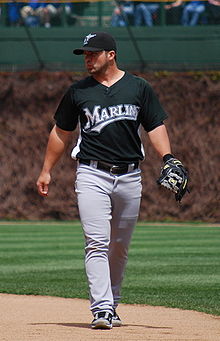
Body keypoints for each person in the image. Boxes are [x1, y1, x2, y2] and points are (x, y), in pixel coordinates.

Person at [36, 31, 186, 329]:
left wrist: (168, 158)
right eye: (85, 54)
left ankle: (112, 305)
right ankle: (101, 308)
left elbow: (155, 125)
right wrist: (46, 169)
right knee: (96, 243)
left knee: (119, 245)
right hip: (91, 173)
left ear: (111, 55)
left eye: (93, 53)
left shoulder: (138, 88)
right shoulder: (79, 91)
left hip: (130, 175)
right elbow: (61, 132)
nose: (87, 58)